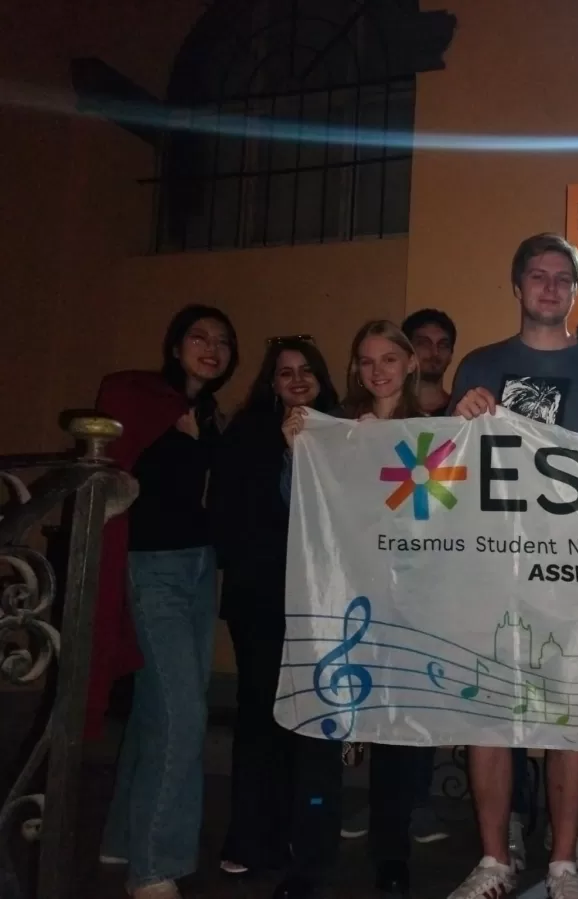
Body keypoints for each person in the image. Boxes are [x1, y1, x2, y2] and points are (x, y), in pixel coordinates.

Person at [448, 233, 578, 899]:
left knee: (569, 720)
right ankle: (495, 861)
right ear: (517, 283)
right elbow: (451, 473)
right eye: (539, 275)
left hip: (576, 577)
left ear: (575, 290)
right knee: (490, 720)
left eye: (564, 277)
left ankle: (562, 863)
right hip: (493, 574)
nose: (551, 287)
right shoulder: (479, 363)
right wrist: (457, 417)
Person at [273, 321, 431, 899]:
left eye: (390, 358)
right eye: (366, 361)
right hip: (338, 600)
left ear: (411, 363)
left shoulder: (433, 432)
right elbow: (299, 508)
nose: (378, 371)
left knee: (397, 735)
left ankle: (392, 854)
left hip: (408, 606)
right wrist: (298, 454)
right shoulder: (333, 428)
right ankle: (310, 861)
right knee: (321, 729)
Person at [97, 305, 239, 899]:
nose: (211, 348)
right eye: (199, 337)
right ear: (174, 344)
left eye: (223, 342)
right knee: (183, 712)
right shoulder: (142, 396)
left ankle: (122, 838)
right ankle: (153, 866)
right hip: (150, 566)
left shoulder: (211, 417)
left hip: (199, 567)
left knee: (162, 708)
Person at [210, 338, 339, 877]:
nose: (297, 380)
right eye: (285, 372)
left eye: (307, 370)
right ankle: (247, 834)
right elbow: (238, 512)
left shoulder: (342, 429)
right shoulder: (248, 433)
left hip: (323, 599)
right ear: (271, 382)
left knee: (311, 720)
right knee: (261, 713)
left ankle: (303, 835)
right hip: (263, 597)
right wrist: (288, 453)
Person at [403, 308, 457, 416]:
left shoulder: (459, 413)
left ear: (451, 355)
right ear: (406, 350)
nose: (435, 352)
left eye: (442, 345)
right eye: (424, 343)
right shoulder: (390, 413)